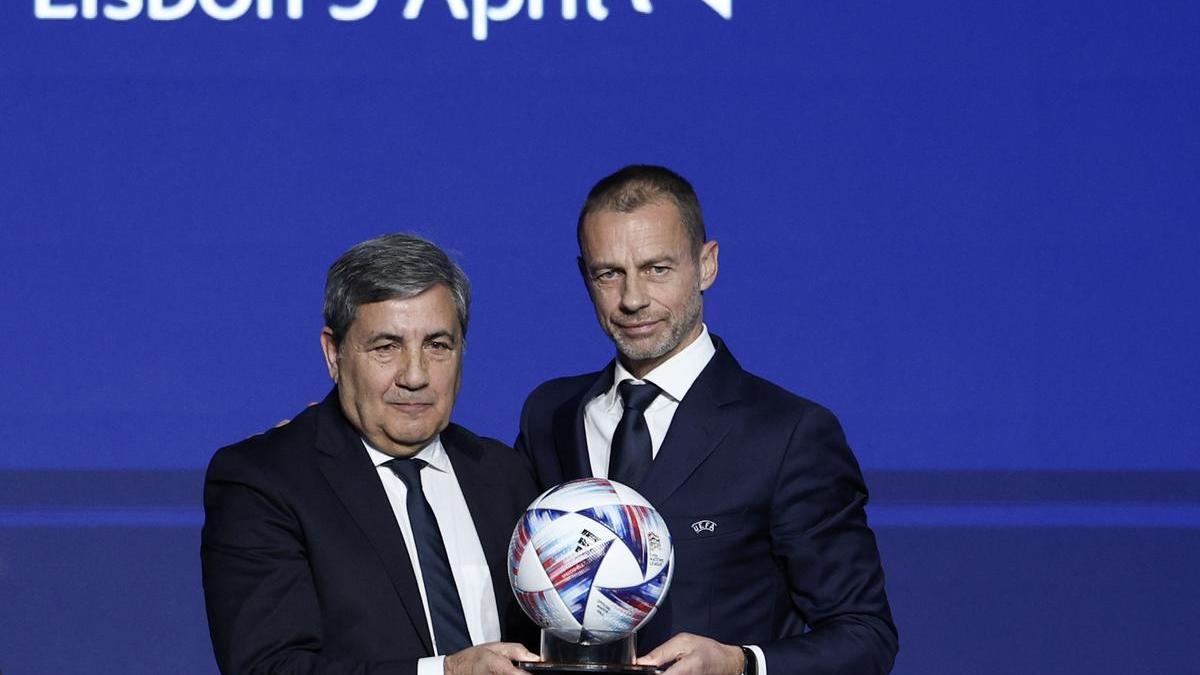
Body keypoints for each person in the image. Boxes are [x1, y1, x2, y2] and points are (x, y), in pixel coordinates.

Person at [515, 166, 899, 674]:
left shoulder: (788, 434)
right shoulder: (551, 414)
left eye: (657, 269)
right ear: (585, 275)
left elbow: (865, 635)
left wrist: (742, 664)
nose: (632, 299)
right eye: (609, 273)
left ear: (706, 265)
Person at [202, 233, 540, 674]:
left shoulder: (504, 474)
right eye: (386, 347)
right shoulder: (263, 480)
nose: (415, 375)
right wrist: (446, 672)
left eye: (438, 345)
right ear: (334, 353)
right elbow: (269, 667)